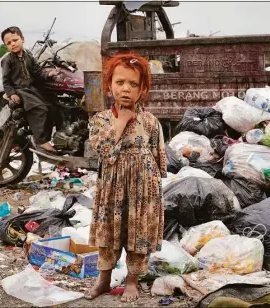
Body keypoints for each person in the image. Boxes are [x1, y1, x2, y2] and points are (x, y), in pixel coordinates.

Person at [85, 53, 166, 302]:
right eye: (120, 82)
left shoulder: (151, 122)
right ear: (109, 86)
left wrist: (153, 189)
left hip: (143, 190)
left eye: (133, 84)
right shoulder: (100, 120)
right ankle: (104, 280)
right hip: (112, 188)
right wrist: (121, 121)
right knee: (108, 234)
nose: (126, 89)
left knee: (139, 233)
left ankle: (132, 281)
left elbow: (158, 156)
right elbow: (104, 151)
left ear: (142, 89)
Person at [0, 26, 60, 153]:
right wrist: (11, 94)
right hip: (19, 90)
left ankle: (46, 138)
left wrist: (49, 74)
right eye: (9, 43)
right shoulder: (8, 60)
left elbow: (38, 72)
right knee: (39, 109)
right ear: (6, 46)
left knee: (51, 106)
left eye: (15, 40)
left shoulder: (29, 55)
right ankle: (40, 140)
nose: (13, 44)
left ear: (22, 39)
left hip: (31, 88)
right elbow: (5, 80)